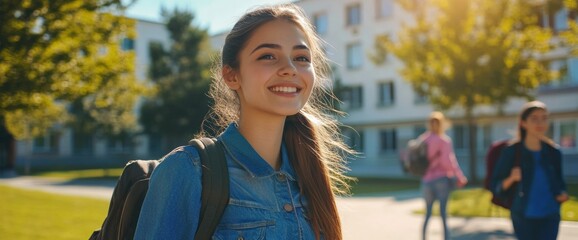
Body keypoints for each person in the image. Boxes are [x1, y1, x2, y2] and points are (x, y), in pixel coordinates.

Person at [134, 4, 354, 240]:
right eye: (268, 56)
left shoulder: (308, 174)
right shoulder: (187, 170)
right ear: (232, 75)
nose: (290, 69)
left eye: (301, 58)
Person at [490, 101, 569, 240]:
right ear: (523, 123)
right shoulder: (512, 151)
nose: (540, 122)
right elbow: (496, 187)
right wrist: (511, 178)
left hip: (550, 214)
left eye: (544, 118)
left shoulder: (554, 152)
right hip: (522, 214)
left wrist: (562, 194)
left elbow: (560, 182)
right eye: (534, 118)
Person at [419, 111, 467, 240]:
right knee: (443, 213)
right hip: (441, 179)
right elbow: (448, 162)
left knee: (427, 213)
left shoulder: (424, 139)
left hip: (426, 180)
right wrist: (460, 176)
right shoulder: (444, 140)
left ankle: (423, 237)